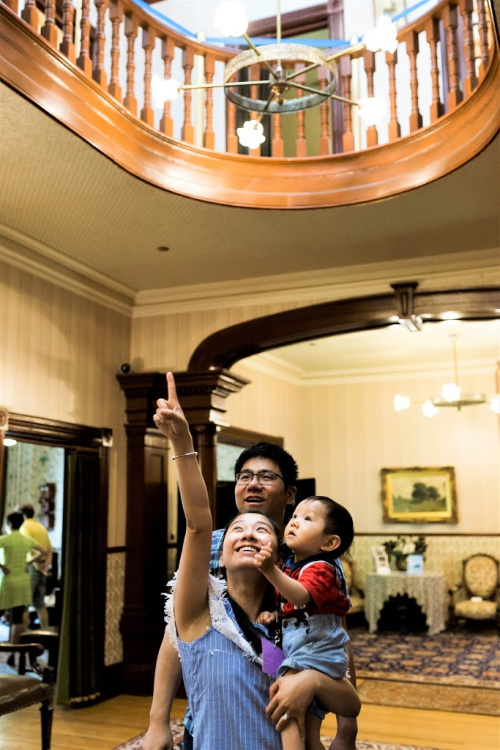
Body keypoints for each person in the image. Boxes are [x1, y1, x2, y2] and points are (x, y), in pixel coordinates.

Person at [144, 377, 359, 750]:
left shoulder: (313, 560)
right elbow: (176, 630)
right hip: (214, 707)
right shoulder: (212, 545)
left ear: (291, 494)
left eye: (266, 477)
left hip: (290, 700)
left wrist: (345, 730)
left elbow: (333, 632)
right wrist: (157, 720)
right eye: (245, 477)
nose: (253, 485)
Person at [255, 496, 356, 750]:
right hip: (299, 647)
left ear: (329, 542)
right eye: (295, 516)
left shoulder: (321, 567)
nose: (295, 522)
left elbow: (300, 596)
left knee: (287, 707)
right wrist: (274, 616)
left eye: (307, 519)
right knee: (310, 737)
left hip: (315, 653)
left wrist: (269, 570)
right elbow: (293, 609)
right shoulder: (292, 564)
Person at [0, 511, 47, 649]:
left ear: (9, 523)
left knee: (3, 610)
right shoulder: (25, 540)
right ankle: (14, 649)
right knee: (18, 617)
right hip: (23, 580)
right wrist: (28, 562)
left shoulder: (6, 539)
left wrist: (2, 567)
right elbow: (44, 551)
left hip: (8, 580)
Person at [19, 503, 53, 630]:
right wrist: (45, 565)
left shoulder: (24, 527)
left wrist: (32, 563)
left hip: (32, 568)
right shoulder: (41, 527)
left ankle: (23, 637)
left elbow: (31, 547)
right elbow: (49, 549)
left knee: (24, 605)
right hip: (43, 568)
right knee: (40, 605)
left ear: (22, 514)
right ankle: (46, 634)